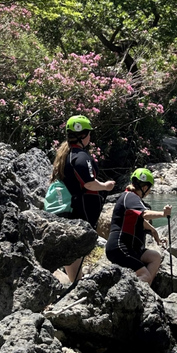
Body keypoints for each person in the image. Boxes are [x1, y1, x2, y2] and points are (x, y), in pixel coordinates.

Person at [50, 115, 115, 283]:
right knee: (77, 249)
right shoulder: (81, 157)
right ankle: (75, 283)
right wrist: (106, 186)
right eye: (89, 134)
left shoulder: (65, 155)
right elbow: (88, 184)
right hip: (80, 211)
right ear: (84, 135)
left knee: (71, 250)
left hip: (68, 209)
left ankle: (74, 281)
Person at [106, 168, 172, 285]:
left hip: (131, 248)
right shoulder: (131, 197)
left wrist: (153, 230)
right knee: (144, 276)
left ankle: (146, 293)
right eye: (149, 189)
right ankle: (131, 293)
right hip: (120, 248)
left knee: (155, 257)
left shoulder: (130, 198)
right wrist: (163, 214)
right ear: (145, 188)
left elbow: (138, 219)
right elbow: (144, 214)